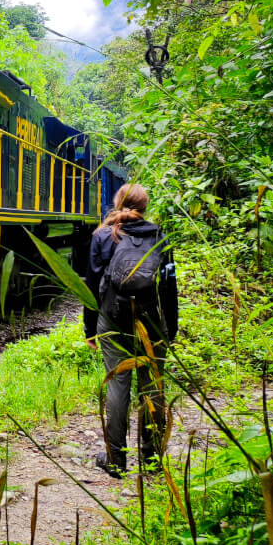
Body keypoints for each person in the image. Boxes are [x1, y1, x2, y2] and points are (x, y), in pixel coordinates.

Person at [83, 182, 180, 478]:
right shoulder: (160, 237)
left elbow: (91, 288)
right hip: (151, 323)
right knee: (152, 388)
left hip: (113, 322)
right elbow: (169, 287)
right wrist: (170, 329)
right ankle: (151, 461)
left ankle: (115, 460)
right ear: (144, 206)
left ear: (116, 203)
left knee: (117, 384)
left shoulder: (102, 236)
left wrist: (90, 329)